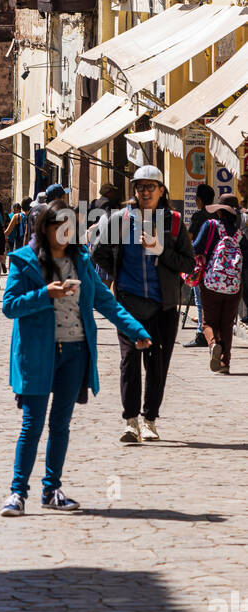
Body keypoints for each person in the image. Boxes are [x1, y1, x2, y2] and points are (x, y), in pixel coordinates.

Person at [0, 205, 151, 516]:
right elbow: (10, 306)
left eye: (71, 226)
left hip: (75, 353)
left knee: (60, 425)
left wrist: (136, 330)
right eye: (60, 226)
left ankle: (51, 489)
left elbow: (106, 302)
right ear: (45, 227)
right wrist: (45, 294)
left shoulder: (81, 262)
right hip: (37, 355)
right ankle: (17, 493)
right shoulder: (24, 262)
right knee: (32, 425)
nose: (66, 232)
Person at [90, 164, 193, 442]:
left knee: (157, 364)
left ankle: (150, 420)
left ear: (162, 190)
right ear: (134, 190)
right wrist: (117, 273)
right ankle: (130, 420)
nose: (145, 192)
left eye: (151, 187)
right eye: (140, 187)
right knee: (130, 362)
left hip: (163, 307)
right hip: (129, 306)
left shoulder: (172, 222)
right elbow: (97, 253)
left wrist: (162, 253)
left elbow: (189, 262)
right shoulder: (120, 220)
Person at [193, 193, 244, 374]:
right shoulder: (239, 235)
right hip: (233, 286)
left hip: (211, 283)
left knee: (208, 323)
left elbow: (196, 248)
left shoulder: (211, 226)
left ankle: (213, 344)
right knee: (226, 324)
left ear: (220, 212)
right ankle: (225, 363)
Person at [184, 183, 216, 348]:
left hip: (200, 264)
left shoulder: (199, 216)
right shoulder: (218, 215)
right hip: (217, 264)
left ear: (199, 200)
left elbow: (189, 238)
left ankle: (201, 334)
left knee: (199, 300)